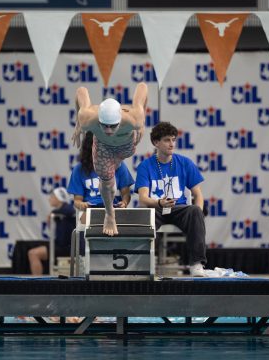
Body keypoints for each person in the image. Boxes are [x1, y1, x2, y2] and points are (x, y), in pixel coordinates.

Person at [135, 122, 209, 277]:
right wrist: (159, 202)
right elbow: (143, 198)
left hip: (179, 208)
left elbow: (198, 194)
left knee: (195, 211)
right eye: (167, 140)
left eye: (173, 140)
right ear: (156, 142)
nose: (172, 144)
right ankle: (143, 264)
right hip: (156, 207)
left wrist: (199, 213)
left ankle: (196, 264)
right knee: (144, 216)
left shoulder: (185, 163)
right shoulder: (145, 166)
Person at [72, 83, 147, 236]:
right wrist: (78, 123)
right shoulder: (87, 119)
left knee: (111, 172)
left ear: (120, 120)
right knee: (107, 181)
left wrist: (142, 123)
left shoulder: (134, 118)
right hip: (103, 148)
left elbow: (143, 87)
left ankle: (112, 169)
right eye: (104, 126)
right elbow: (81, 90)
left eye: (113, 126)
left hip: (125, 148)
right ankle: (110, 214)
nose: (108, 131)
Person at [68, 131, 134, 217]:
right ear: (90, 147)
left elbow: (126, 193)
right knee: (87, 220)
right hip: (90, 210)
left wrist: (124, 202)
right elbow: (77, 200)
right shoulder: (79, 169)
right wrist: (82, 205)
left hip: (113, 208)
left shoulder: (118, 165)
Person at [28, 187, 76, 275]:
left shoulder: (67, 209)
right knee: (32, 252)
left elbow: (71, 211)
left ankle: (37, 282)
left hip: (66, 248)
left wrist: (53, 213)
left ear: (59, 198)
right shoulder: (59, 213)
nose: (49, 199)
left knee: (33, 254)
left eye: (52, 196)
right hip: (59, 244)